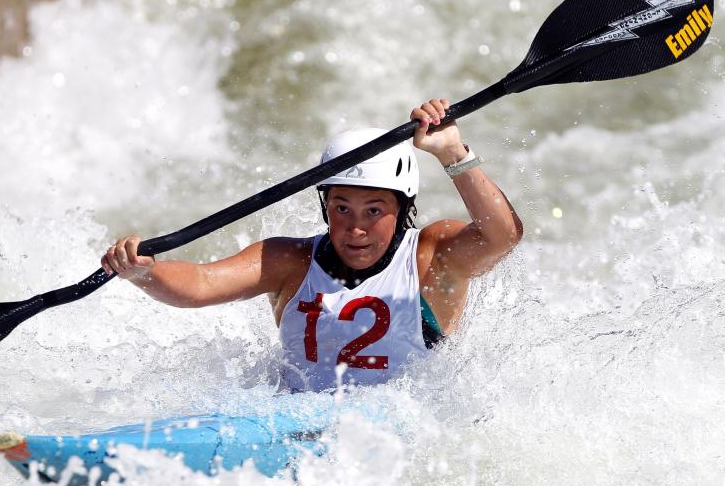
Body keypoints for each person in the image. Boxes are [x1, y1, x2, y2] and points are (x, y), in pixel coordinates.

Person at [101, 99, 523, 392]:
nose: (355, 228)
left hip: (401, 427)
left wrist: (452, 152)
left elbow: (501, 235)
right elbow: (200, 284)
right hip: (294, 422)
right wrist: (144, 272)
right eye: (342, 208)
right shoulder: (290, 261)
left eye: (374, 211)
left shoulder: (431, 257)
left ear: (403, 208)